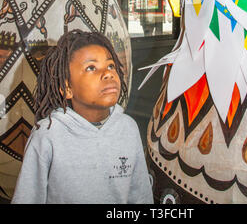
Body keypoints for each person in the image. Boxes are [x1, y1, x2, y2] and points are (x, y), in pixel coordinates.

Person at [11, 29, 153, 204]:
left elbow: (140, 196)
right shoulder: (47, 135)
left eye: (110, 66)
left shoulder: (128, 128)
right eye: (91, 68)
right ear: (67, 88)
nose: (108, 73)